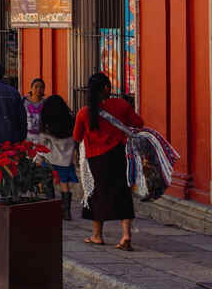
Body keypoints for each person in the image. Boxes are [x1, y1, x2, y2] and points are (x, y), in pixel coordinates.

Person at [74, 73, 141, 250]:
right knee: (123, 193)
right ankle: (126, 236)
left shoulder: (84, 112)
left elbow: (77, 136)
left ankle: (97, 235)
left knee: (97, 195)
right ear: (105, 88)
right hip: (119, 155)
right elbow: (138, 123)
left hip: (96, 159)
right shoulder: (122, 105)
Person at [39, 94, 79, 220]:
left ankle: (50, 209)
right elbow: (75, 140)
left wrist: (38, 158)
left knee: (47, 182)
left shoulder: (47, 126)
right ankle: (66, 212)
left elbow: (42, 145)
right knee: (64, 184)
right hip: (66, 161)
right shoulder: (71, 123)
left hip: (50, 159)